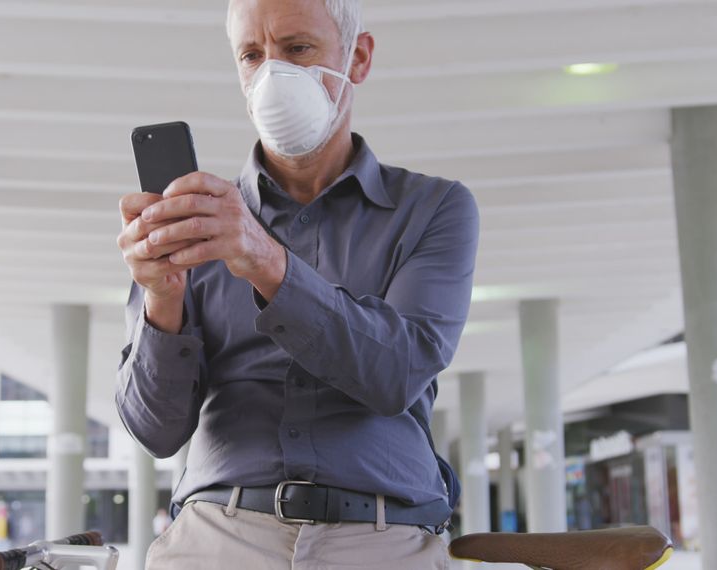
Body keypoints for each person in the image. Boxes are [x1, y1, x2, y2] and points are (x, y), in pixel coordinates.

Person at [114, 0, 478, 567]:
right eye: (252, 55)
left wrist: (264, 259)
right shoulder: (197, 219)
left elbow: (399, 373)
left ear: (357, 58)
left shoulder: (431, 210)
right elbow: (157, 432)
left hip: (381, 535)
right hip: (219, 531)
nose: (272, 76)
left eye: (297, 49)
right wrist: (163, 302)